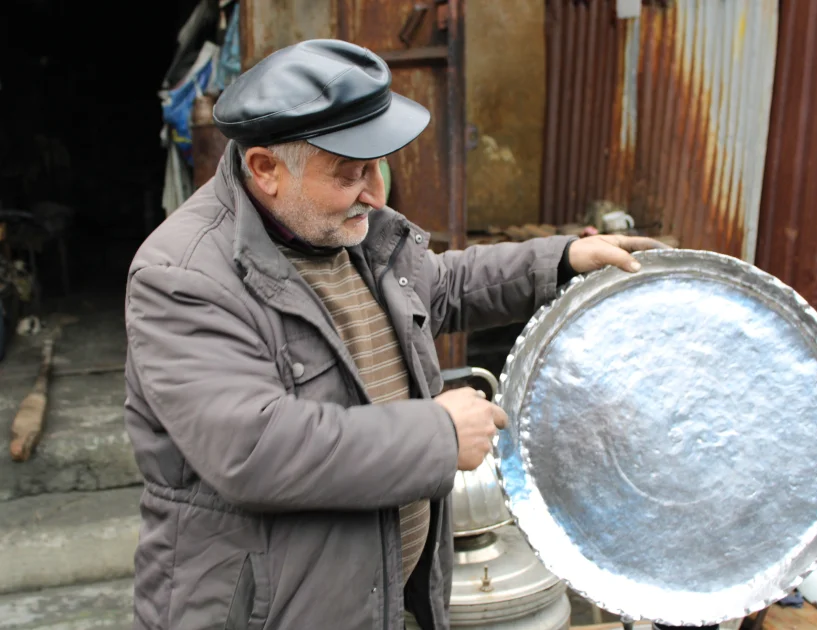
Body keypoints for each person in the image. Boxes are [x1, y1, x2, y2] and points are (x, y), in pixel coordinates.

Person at [124, 38, 666, 630]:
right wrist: (437, 434)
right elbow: (255, 449)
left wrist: (560, 259)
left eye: (375, 168)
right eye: (347, 174)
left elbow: (439, 285)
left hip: (379, 598)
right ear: (264, 169)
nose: (375, 196)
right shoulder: (183, 276)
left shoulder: (339, 229)